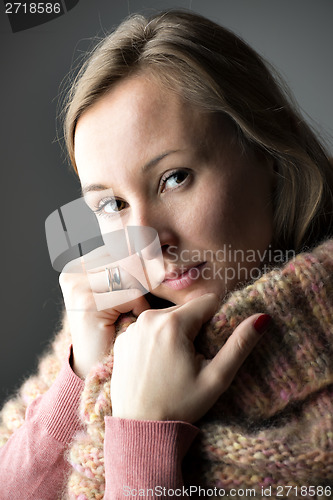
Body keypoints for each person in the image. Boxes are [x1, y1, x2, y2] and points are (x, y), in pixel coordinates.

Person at [1, 9, 333, 500]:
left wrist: (141, 437)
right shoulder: (93, 347)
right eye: (112, 204)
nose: (147, 239)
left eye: (174, 178)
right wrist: (82, 378)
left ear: (268, 155)